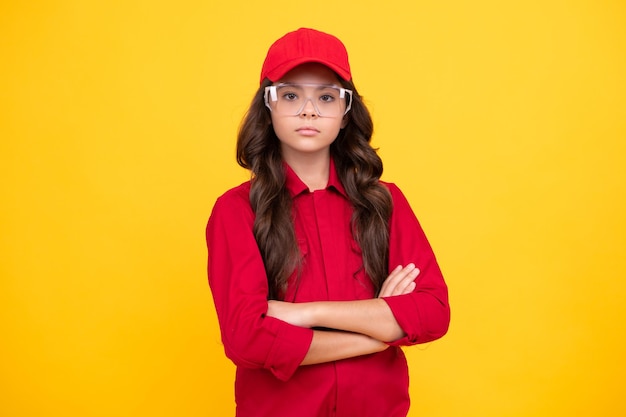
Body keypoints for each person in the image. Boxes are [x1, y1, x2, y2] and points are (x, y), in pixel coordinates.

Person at [206, 27, 450, 417]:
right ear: (267, 107)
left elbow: (433, 312)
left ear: (345, 111)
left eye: (325, 97)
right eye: (290, 95)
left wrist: (307, 314)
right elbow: (245, 339)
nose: (308, 110)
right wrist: (379, 328)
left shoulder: (385, 202)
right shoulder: (235, 211)